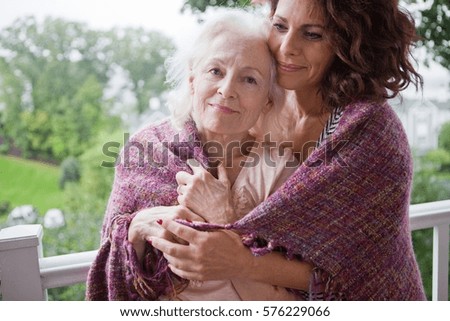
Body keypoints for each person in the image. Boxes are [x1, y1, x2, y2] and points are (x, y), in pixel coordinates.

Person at [149, 0, 427, 300]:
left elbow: (358, 272)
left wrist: (239, 251)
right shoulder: (256, 105)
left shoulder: (370, 133)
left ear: (348, 43)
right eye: (280, 26)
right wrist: (139, 223)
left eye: (312, 35)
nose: (286, 47)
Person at [86, 10, 306, 300]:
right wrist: (134, 231)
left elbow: (305, 291)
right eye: (215, 71)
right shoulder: (146, 151)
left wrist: (227, 218)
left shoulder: (285, 171)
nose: (227, 90)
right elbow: (111, 272)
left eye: (249, 79)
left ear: (268, 98)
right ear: (192, 80)